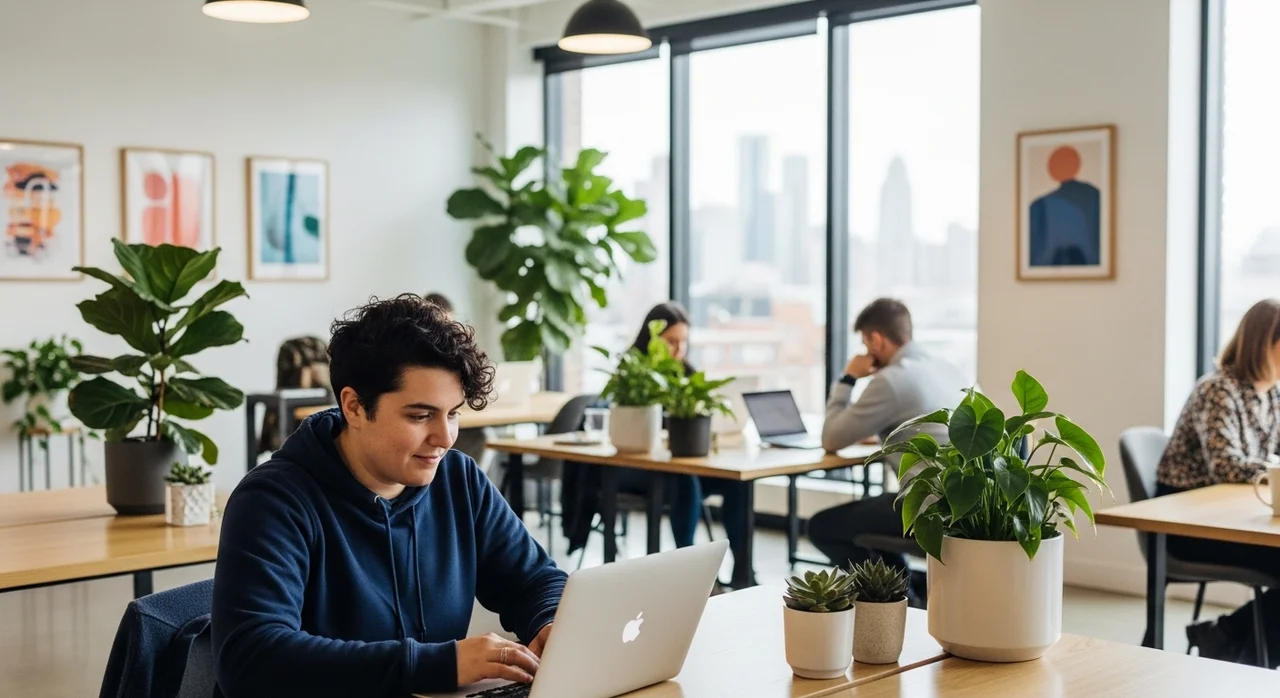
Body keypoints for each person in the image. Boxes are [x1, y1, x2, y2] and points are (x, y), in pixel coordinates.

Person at [212, 294, 567, 697]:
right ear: (355, 407)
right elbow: (251, 660)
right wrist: (436, 664)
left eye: (452, 413)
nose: (445, 438)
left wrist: (550, 623)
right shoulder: (272, 502)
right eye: (420, 416)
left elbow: (533, 580)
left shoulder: (458, 480)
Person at [806, 299, 968, 604]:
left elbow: (831, 438)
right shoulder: (949, 369)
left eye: (865, 342)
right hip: (965, 504)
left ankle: (904, 594)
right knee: (869, 519)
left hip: (926, 508)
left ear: (877, 339)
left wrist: (848, 378)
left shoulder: (891, 380)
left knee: (822, 527)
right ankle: (912, 588)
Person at [1159, 298, 1280, 666]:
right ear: (1264, 343)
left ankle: (1226, 636)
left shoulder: (1271, 394)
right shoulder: (1217, 389)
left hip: (1236, 518)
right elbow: (1226, 466)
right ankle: (1236, 646)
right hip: (1191, 525)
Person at [615, 302, 754, 587]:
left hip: (676, 466)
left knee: (737, 483)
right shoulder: (633, 371)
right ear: (652, 340)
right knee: (686, 481)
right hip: (634, 468)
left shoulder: (686, 373)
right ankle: (690, 575)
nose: (679, 350)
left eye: (683, 342)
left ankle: (744, 574)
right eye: (672, 342)